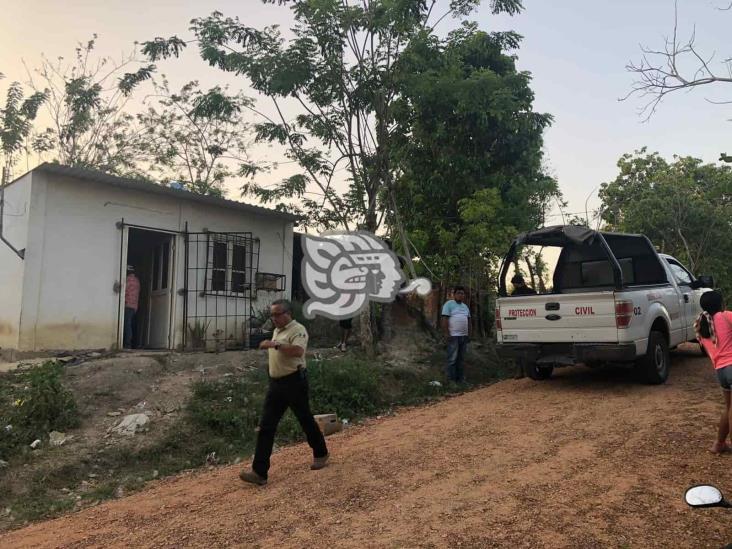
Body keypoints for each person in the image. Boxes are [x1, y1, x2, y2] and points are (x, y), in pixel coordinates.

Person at [240, 299, 329, 485]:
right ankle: (259, 472)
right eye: (272, 315)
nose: (273, 318)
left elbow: (297, 351)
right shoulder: (277, 331)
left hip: (294, 382)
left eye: (277, 314)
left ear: (288, 314)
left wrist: (275, 345)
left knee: (305, 419)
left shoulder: (298, 330)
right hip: (276, 384)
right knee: (266, 426)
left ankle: (321, 453)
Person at [695, 290, 732, 454]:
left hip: (721, 372)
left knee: (729, 407)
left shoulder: (700, 325)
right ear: (721, 304)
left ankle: (719, 444)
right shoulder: (726, 316)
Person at [441, 286, 470, 383]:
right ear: (454, 294)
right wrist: (446, 333)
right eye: (459, 293)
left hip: (464, 336)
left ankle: (461, 380)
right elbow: (444, 319)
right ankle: (451, 381)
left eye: (462, 293)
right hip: (453, 336)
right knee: (452, 359)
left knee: (461, 359)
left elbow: (469, 320)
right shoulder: (449, 304)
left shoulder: (465, 306)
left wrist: (470, 333)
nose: (461, 295)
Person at [124, 265, 141, 349]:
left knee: (127, 325)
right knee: (131, 324)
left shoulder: (128, 280)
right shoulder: (137, 281)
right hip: (134, 306)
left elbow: (124, 291)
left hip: (127, 305)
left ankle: (127, 344)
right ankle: (134, 343)